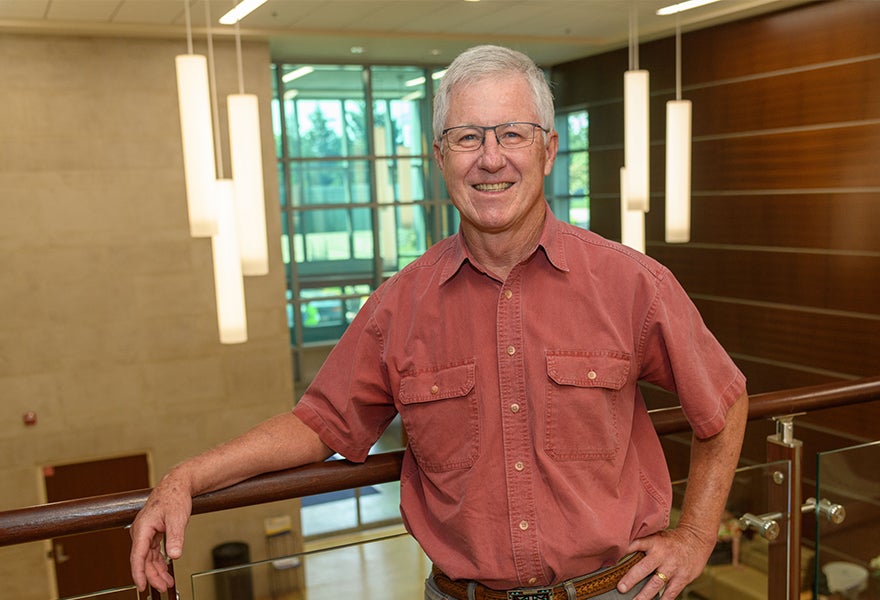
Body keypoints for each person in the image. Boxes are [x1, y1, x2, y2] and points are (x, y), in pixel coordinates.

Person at [130, 44, 748, 600]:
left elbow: (724, 401)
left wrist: (695, 536)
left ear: (549, 149)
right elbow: (318, 425)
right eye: (466, 138)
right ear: (439, 157)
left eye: (512, 133)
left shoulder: (631, 284)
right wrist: (186, 477)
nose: (490, 159)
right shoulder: (398, 307)